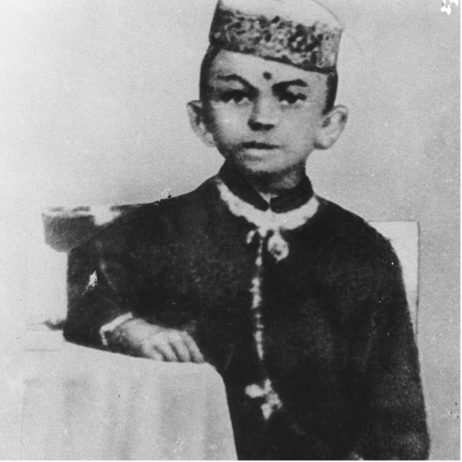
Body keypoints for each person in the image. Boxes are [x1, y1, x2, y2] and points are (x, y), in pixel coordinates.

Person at [63, 0, 430, 460]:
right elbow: (80, 288)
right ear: (201, 119)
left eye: (291, 97)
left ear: (329, 125)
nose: (262, 117)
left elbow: (397, 430)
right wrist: (127, 329)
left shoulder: (362, 253)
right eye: (236, 95)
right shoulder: (154, 231)